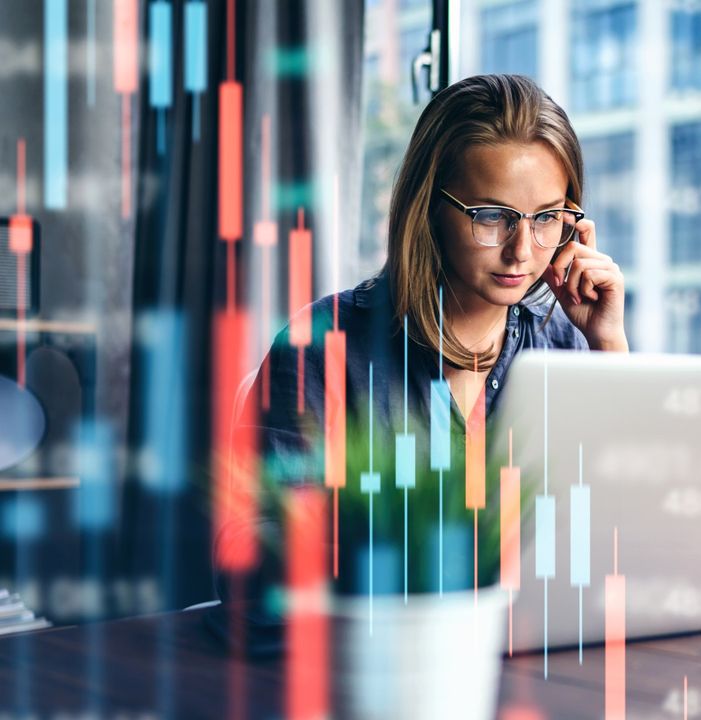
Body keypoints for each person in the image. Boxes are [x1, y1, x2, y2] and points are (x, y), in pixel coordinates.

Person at [210, 74, 627, 649]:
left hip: (532, 657)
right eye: (491, 216)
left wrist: (608, 347)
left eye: (547, 217)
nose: (522, 250)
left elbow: (621, 535)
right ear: (429, 207)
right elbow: (250, 558)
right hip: (376, 669)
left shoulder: (565, 343)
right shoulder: (324, 345)